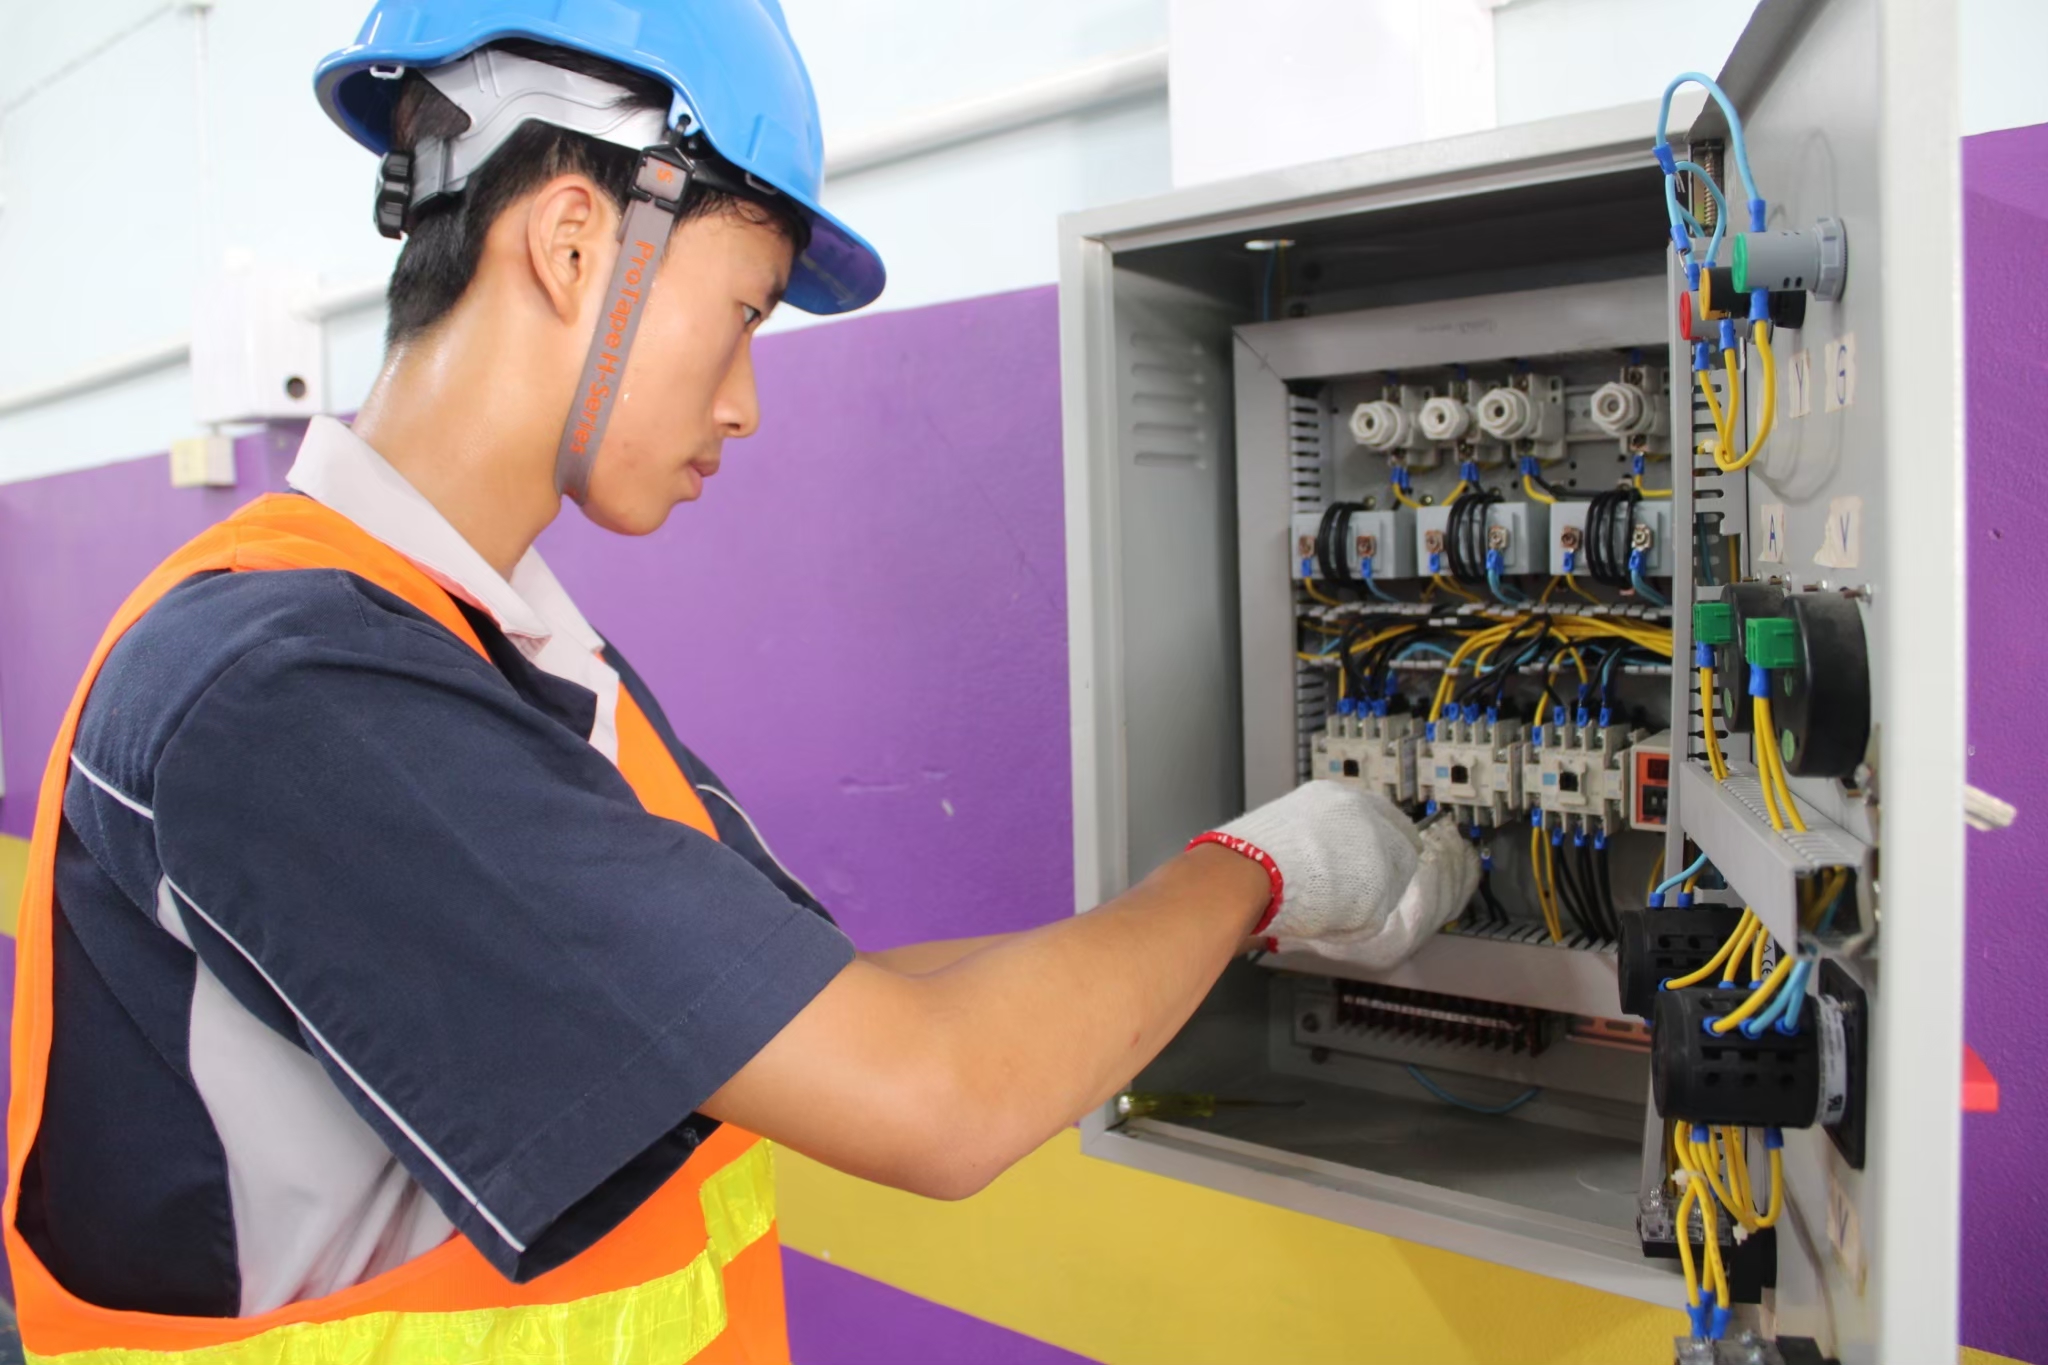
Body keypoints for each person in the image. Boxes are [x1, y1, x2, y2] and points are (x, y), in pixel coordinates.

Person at [1, 3, 1478, 1361]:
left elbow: (807, 1014)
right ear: (575, 241)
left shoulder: (484, 642)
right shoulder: (295, 692)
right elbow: (934, 1096)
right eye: (749, 310)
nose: (747, 402)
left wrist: (1222, 909)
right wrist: (1265, 873)